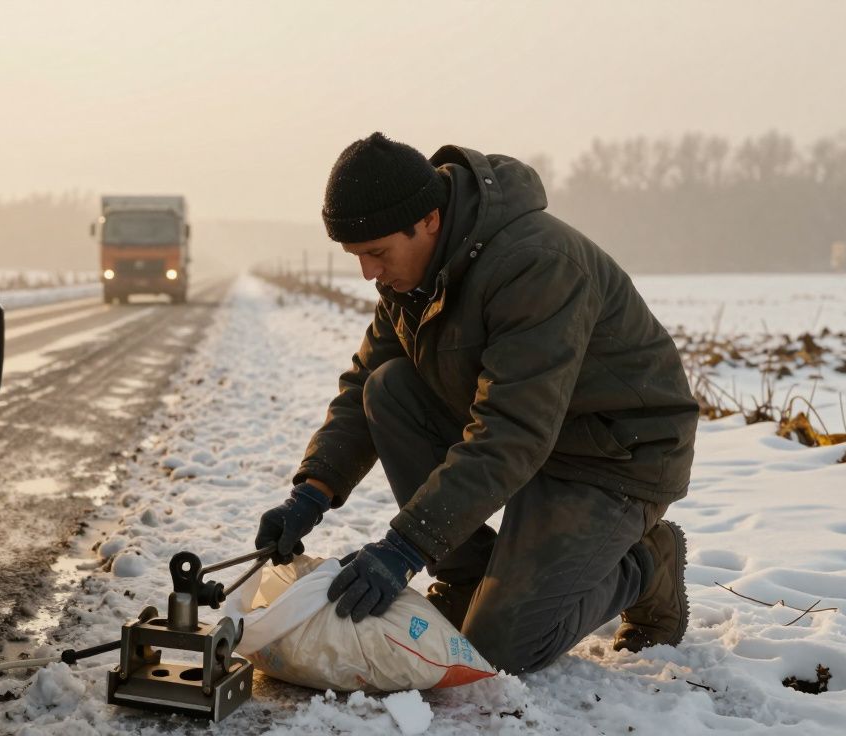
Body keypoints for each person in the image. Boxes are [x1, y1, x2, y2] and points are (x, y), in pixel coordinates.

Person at [253, 133, 700, 675]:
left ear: (430, 221)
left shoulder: (536, 264)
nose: (368, 273)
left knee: (504, 648)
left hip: (615, 455)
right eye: (357, 256)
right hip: (536, 440)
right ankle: (472, 578)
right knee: (388, 388)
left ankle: (648, 563)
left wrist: (405, 548)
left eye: (376, 253)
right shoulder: (413, 277)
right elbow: (364, 382)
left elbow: (512, 431)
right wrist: (312, 492)